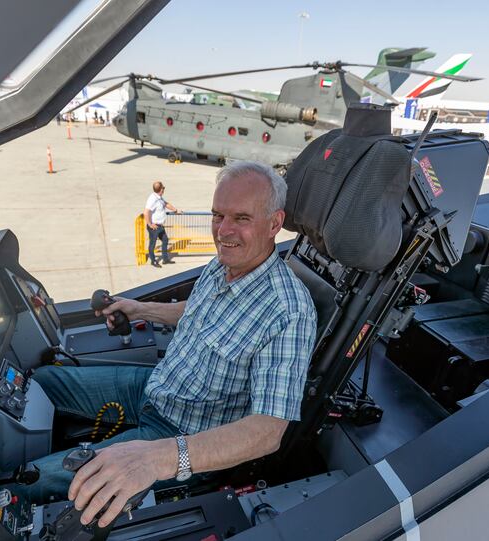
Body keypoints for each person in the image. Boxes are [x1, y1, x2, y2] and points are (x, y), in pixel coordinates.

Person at [24, 161, 317, 529]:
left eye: (241, 218)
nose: (223, 231)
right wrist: (138, 307)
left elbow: (267, 431)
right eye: (217, 215)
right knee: (43, 382)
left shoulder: (289, 311)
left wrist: (157, 458)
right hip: (155, 386)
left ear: (274, 223)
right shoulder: (226, 262)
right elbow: (195, 311)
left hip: (178, 436)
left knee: (32, 479)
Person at [144, 181, 182, 267]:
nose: (164, 190)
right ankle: (153, 261)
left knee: (165, 240)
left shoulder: (159, 197)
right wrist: (150, 224)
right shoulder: (152, 199)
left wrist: (175, 210)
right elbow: (146, 212)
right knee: (152, 244)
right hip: (154, 227)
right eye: (163, 188)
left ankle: (165, 259)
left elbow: (166, 204)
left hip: (160, 226)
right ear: (161, 190)